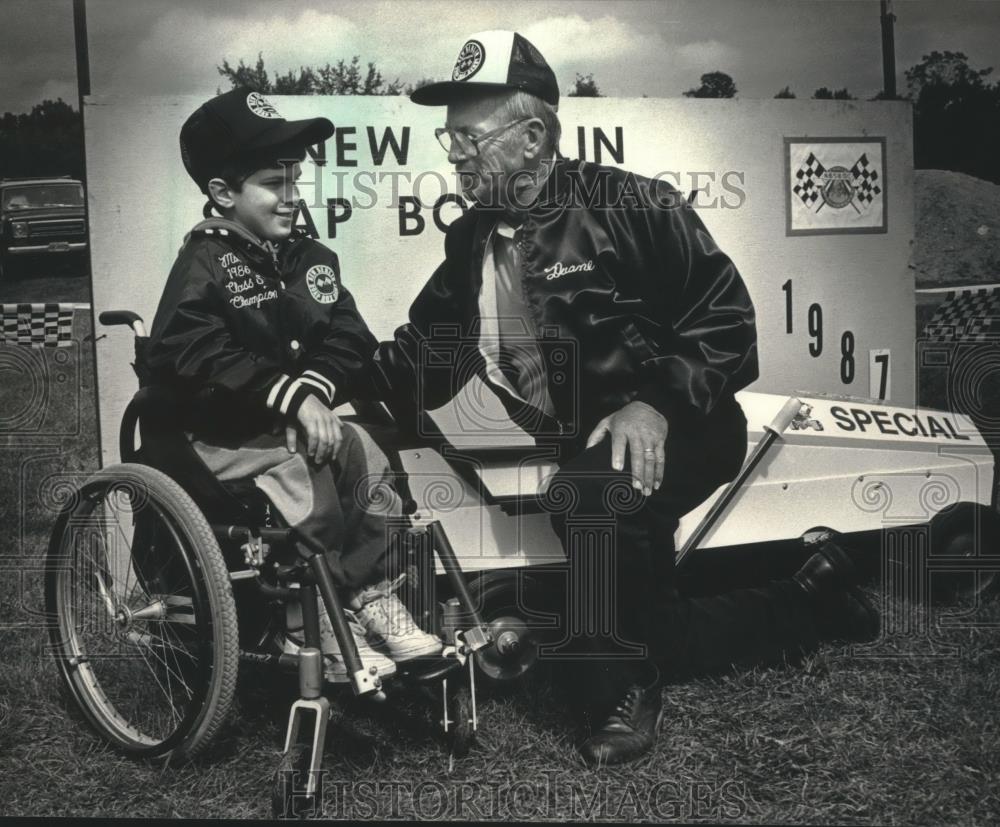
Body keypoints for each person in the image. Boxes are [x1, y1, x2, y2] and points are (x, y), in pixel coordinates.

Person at [373, 31, 878, 765]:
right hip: (568, 439)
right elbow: (418, 344)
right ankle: (808, 600)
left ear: (532, 136)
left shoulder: (633, 204)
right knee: (650, 610)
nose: (452, 154)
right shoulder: (470, 238)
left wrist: (655, 403)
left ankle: (618, 689)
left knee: (587, 495)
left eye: (467, 137)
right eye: (447, 137)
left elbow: (727, 321)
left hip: (685, 424)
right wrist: (315, 388)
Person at [145, 87, 442, 683]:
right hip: (218, 439)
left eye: (294, 179)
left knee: (367, 453)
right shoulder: (203, 262)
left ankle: (369, 595)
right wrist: (291, 397)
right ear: (223, 194)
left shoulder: (312, 259)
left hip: (287, 428)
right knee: (303, 473)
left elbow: (349, 336)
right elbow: (190, 347)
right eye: (272, 184)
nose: (291, 197)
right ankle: (315, 624)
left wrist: (312, 389)